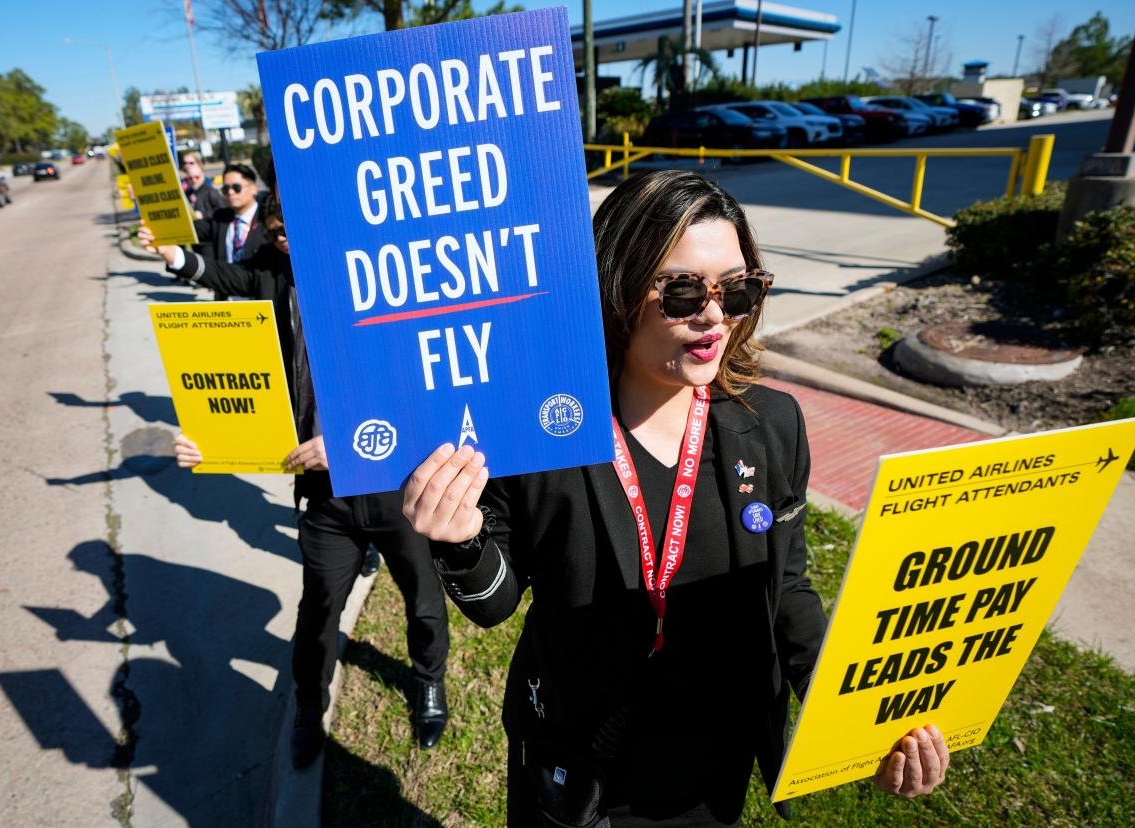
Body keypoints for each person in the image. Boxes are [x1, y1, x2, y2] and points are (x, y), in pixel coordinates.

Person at [403, 170, 949, 826]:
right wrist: (459, 540)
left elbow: (788, 593)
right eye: (684, 290)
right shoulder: (538, 426)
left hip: (707, 773)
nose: (715, 315)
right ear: (615, 285)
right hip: (576, 764)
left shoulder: (772, 425)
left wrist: (862, 725)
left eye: (738, 290)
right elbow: (495, 602)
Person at [139, 194, 451, 767]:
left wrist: (351, 442)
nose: (283, 239)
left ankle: (429, 682)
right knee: (317, 612)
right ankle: (310, 708)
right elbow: (224, 293)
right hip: (325, 501)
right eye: (276, 230)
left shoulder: (385, 281)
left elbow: (423, 386)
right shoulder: (272, 277)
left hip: (393, 485)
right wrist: (213, 444)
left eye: (292, 230)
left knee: (423, 600)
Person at [192, 163, 267, 301]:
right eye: (225, 189)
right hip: (228, 301)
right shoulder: (220, 217)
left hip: (260, 300)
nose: (230, 192)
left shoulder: (267, 219)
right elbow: (194, 229)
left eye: (236, 187)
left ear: (253, 189)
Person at [180, 150, 226, 220]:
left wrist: (203, 214)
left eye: (191, 163)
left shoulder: (209, 189)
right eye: (185, 163)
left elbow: (221, 208)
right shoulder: (187, 187)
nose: (187, 165)